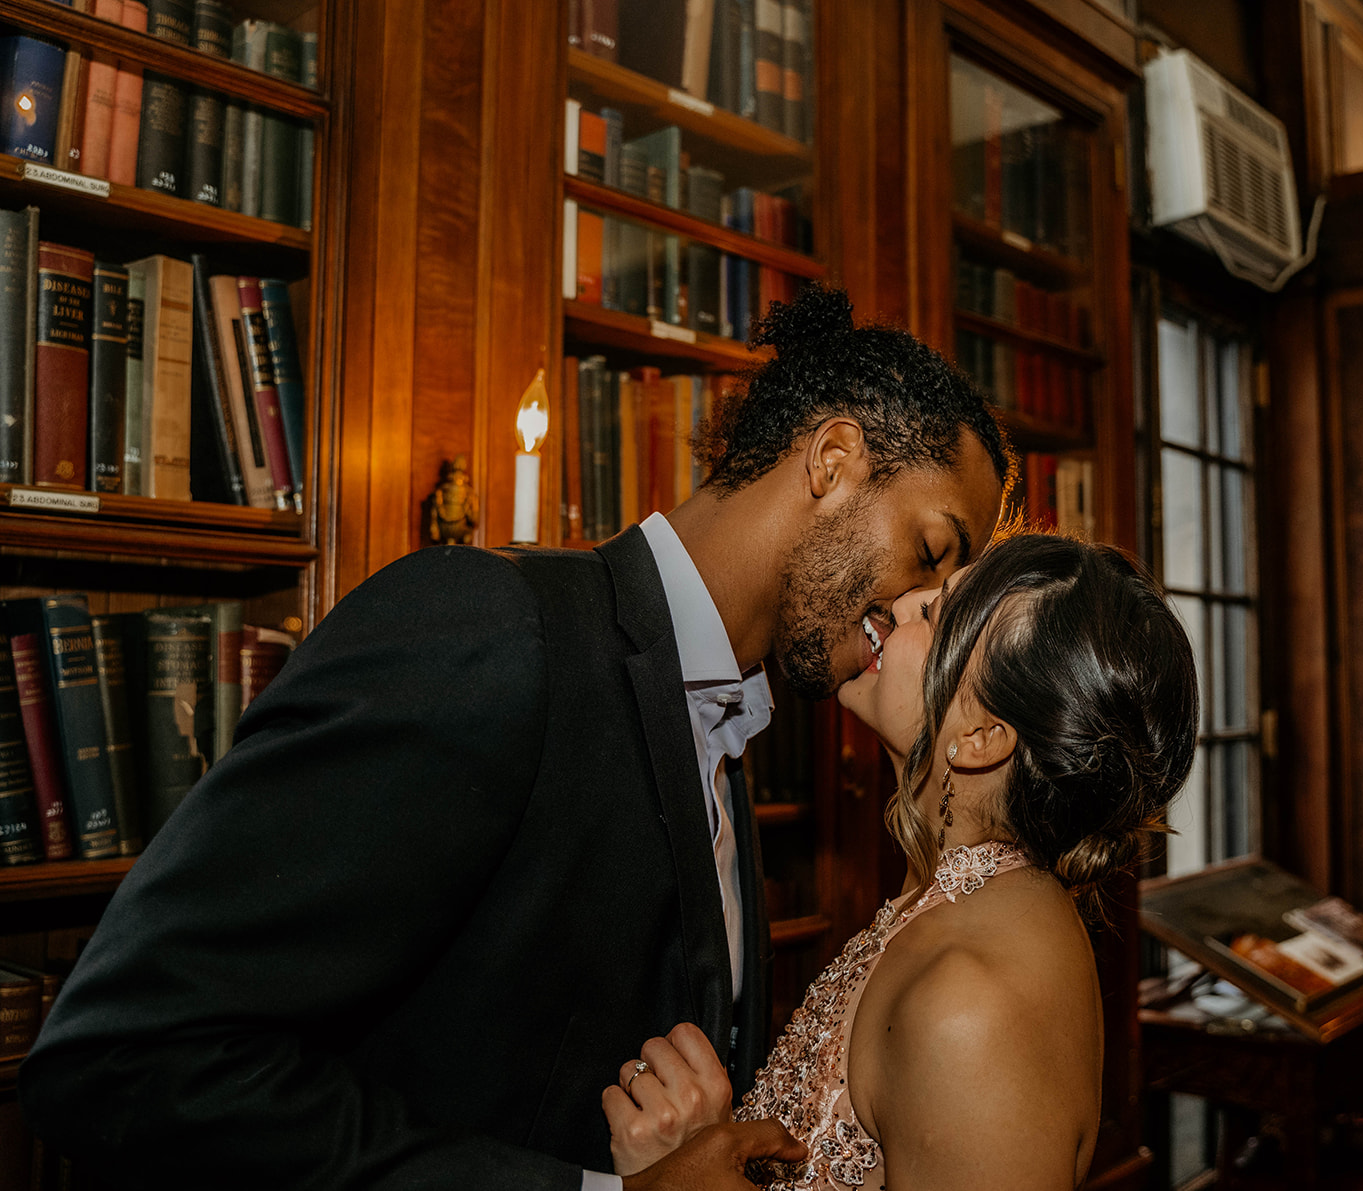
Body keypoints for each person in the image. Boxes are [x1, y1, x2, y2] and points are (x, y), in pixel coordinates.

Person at [19, 287, 1010, 1191]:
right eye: (930, 552)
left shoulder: (723, 722)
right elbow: (126, 1055)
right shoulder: (492, 628)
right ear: (832, 461)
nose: (924, 609)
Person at [603, 533, 1199, 1190]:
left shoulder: (971, 1005)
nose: (904, 598)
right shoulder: (959, 898)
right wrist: (711, 1149)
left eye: (934, 616)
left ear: (981, 737)